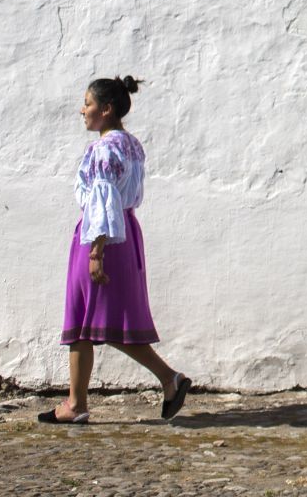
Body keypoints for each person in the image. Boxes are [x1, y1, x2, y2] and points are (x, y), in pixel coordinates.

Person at [38, 76, 191, 424]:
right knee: (91, 321)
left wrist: (96, 251)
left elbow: (103, 201)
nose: (82, 110)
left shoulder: (104, 149)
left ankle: (166, 378)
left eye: (88, 104)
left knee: (90, 319)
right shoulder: (131, 145)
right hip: (125, 232)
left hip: (104, 236)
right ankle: (77, 403)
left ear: (106, 109)